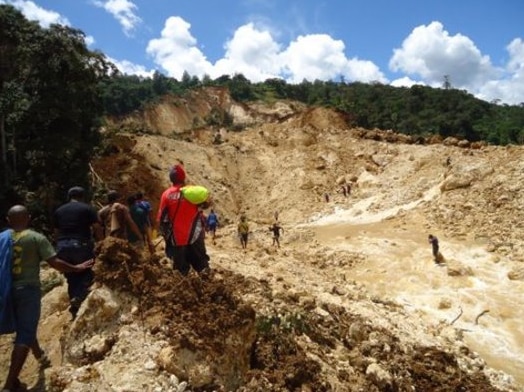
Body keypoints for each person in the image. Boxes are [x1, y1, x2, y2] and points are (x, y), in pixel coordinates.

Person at [2, 205, 94, 392]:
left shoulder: (2, 239)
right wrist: (77, 268)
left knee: (25, 327)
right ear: (28, 218)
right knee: (26, 332)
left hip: (5, 290)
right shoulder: (35, 238)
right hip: (28, 290)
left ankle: (40, 358)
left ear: (7, 220)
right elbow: (55, 263)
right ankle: (9, 384)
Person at [53, 186, 102, 319]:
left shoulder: (59, 210)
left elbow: (56, 233)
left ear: (69, 197)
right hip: (81, 244)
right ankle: (79, 296)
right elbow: (97, 227)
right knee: (88, 268)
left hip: (62, 245)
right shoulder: (87, 208)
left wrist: (58, 247)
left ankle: (74, 306)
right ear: (82, 196)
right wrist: (102, 242)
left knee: (71, 274)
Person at [157, 164, 211, 276]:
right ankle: (211, 289)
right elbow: (206, 204)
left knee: (181, 272)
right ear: (184, 177)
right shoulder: (192, 192)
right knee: (202, 266)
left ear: (171, 178)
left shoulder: (166, 195)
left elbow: (162, 218)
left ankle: (185, 290)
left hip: (177, 239)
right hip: (195, 235)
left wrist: (165, 236)